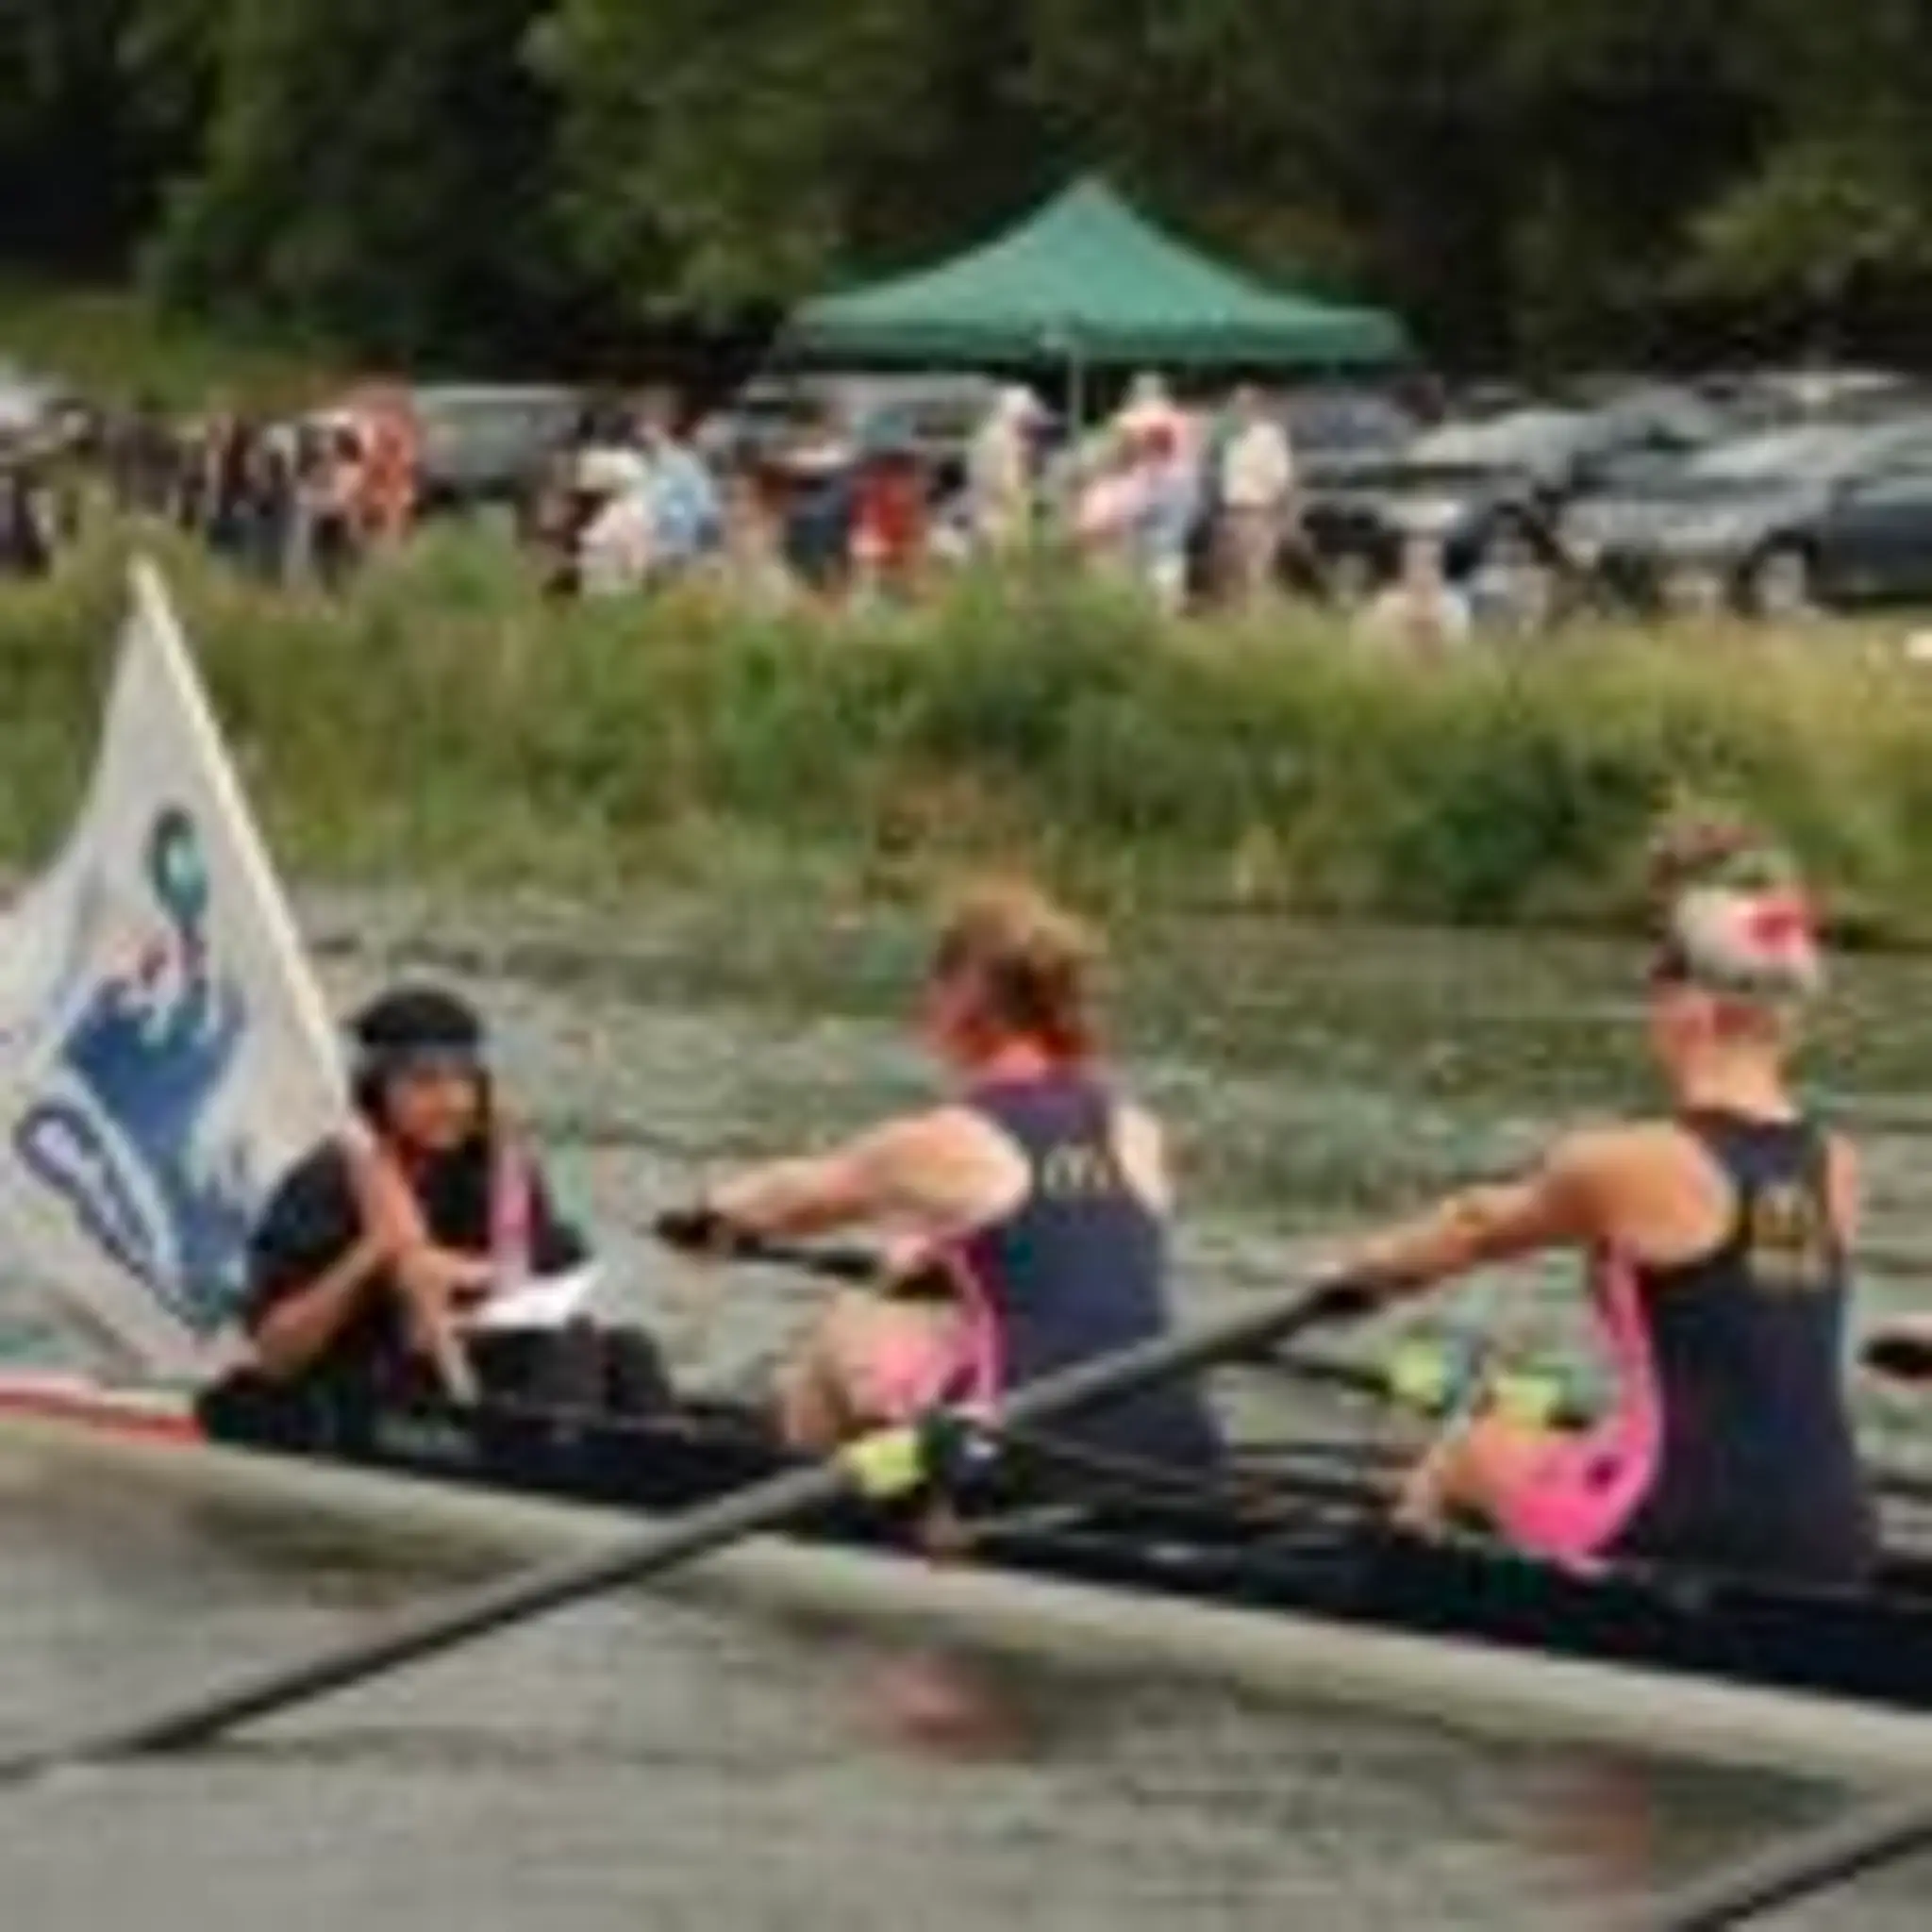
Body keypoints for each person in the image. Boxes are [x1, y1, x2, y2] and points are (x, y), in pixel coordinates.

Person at [1335, 824, 1874, 1588]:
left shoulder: (1627, 1161)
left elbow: (1479, 1225)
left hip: (1681, 1527)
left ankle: (1384, 1612)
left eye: (1655, 991)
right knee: (1620, 1433)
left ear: (1692, 1010)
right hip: (1837, 1535)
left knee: (1476, 1447)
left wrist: (1365, 1271)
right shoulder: (1841, 1168)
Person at [659, 883, 1222, 1471]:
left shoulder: (949, 1140)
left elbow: (794, 1199)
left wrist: (708, 1216)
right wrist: (930, 1265)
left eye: (934, 985)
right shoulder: (1139, 1133)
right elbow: (1062, 1257)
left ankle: (799, 1504)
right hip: (1176, 1442)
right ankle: (870, 1483)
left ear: (963, 996)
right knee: (935, 1322)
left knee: (851, 1322)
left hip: (1013, 1451)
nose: (925, 1005)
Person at [230, 985, 667, 1431]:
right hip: (360, 1393)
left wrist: (458, 1275)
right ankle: (560, 1471)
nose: (452, 1102)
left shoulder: (501, 1170)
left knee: (632, 1350)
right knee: (567, 1345)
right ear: (377, 1090)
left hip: (465, 1372)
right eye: (425, 1082)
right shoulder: (328, 1182)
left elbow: (534, 1278)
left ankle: (652, 1468)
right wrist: (372, 1253)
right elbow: (276, 1355)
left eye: (464, 1080)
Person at [1215, 387, 1296, 608]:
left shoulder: (1269, 436)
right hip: (1234, 509)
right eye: (1236, 406)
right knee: (1236, 566)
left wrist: (1281, 508)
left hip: (1260, 508)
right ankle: (1242, 612)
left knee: (1258, 566)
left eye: (1242, 405)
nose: (1238, 411)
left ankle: (1257, 613)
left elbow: (1282, 474)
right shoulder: (1233, 439)